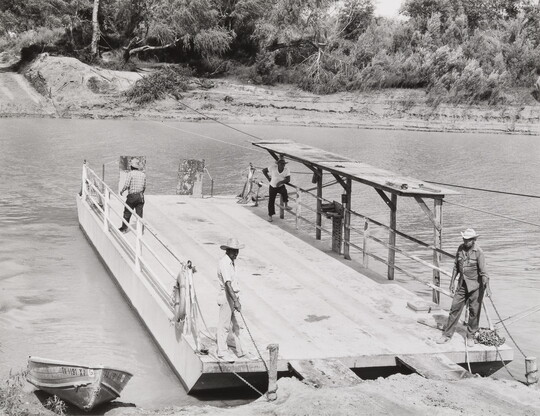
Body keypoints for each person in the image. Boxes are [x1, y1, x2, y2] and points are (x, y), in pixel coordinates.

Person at [437, 229, 491, 347]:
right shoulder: (460, 249)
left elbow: (484, 272)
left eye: (468, 240)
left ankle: (471, 336)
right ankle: (447, 335)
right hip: (462, 285)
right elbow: (456, 266)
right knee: (454, 309)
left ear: (474, 240)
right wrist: (452, 282)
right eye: (464, 239)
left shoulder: (479, 252)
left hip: (476, 287)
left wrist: (487, 287)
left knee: (474, 312)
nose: (465, 242)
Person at [217, 238, 246, 361]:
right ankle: (222, 352)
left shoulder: (231, 262)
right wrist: (235, 301)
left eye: (237, 251)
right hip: (227, 296)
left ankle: (241, 351)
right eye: (233, 251)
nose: (236, 253)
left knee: (238, 325)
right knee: (224, 325)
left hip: (233, 295)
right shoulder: (224, 263)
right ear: (228, 250)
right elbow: (228, 284)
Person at [118, 158, 146, 233]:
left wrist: (122, 191)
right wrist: (141, 194)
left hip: (132, 196)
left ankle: (124, 228)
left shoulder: (130, 173)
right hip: (141, 197)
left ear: (131, 167)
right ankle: (140, 230)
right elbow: (144, 187)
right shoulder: (143, 175)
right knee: (139, 214)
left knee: (127, 212)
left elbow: (127, 184)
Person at [262, 155, 291, 222]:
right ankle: (270, 216)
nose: (282, 165)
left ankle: (286, 205)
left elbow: (288, 179)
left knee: (285, 191)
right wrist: (268, 179)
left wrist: (281, 182)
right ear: (278, 164)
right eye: (281, 164)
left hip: (280, 186)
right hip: (272, 186)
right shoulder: (272, 167)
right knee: (271, 201)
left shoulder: (287, 169)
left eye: (283, 164)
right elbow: (264, 171)